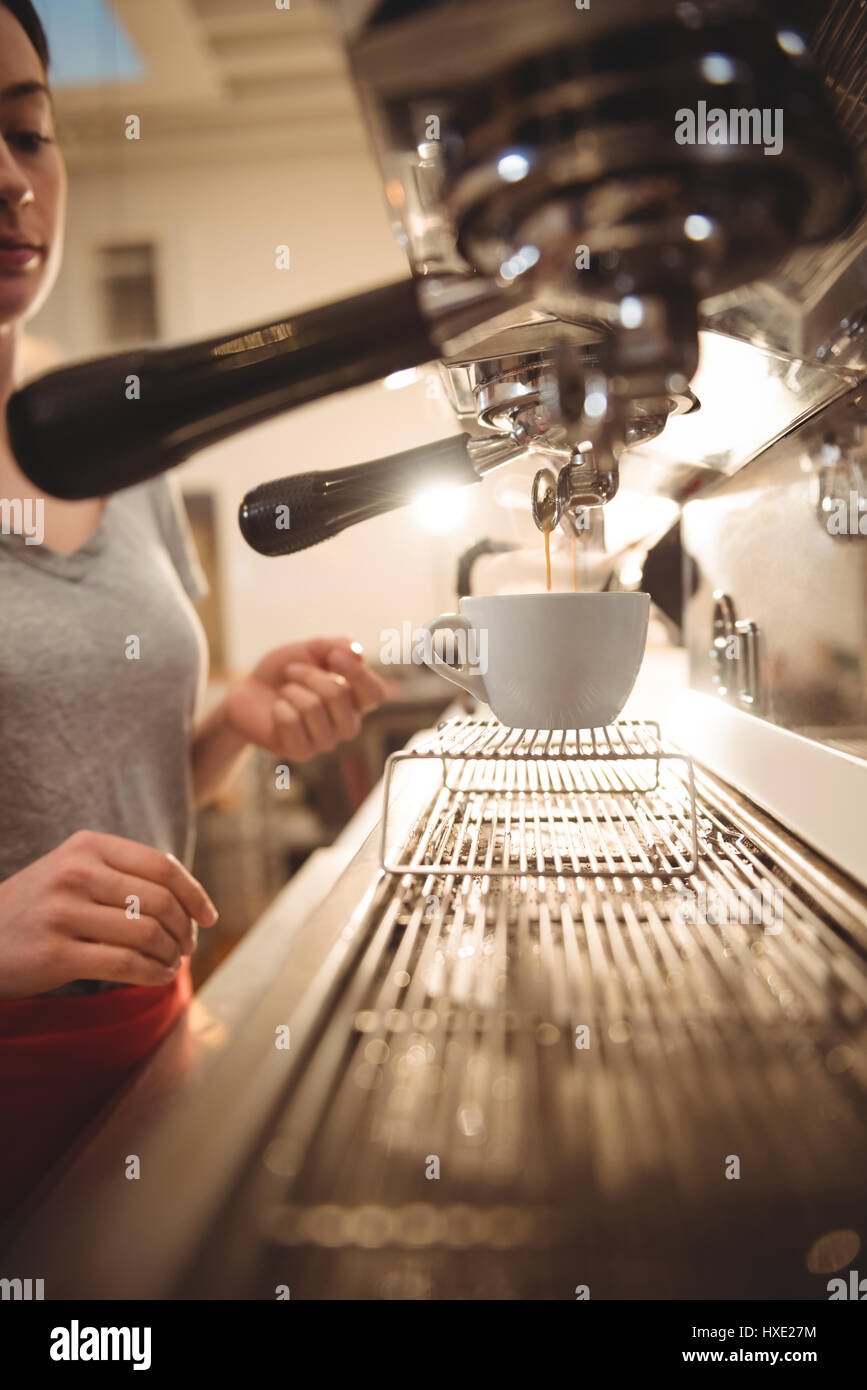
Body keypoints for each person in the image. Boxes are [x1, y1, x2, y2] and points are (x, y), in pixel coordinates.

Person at [0, 0, 387, 1217]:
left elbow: (138, 777)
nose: (10, 184)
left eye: (27, 133)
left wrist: (232, 718)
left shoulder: (127, 444)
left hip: (147, 1051)